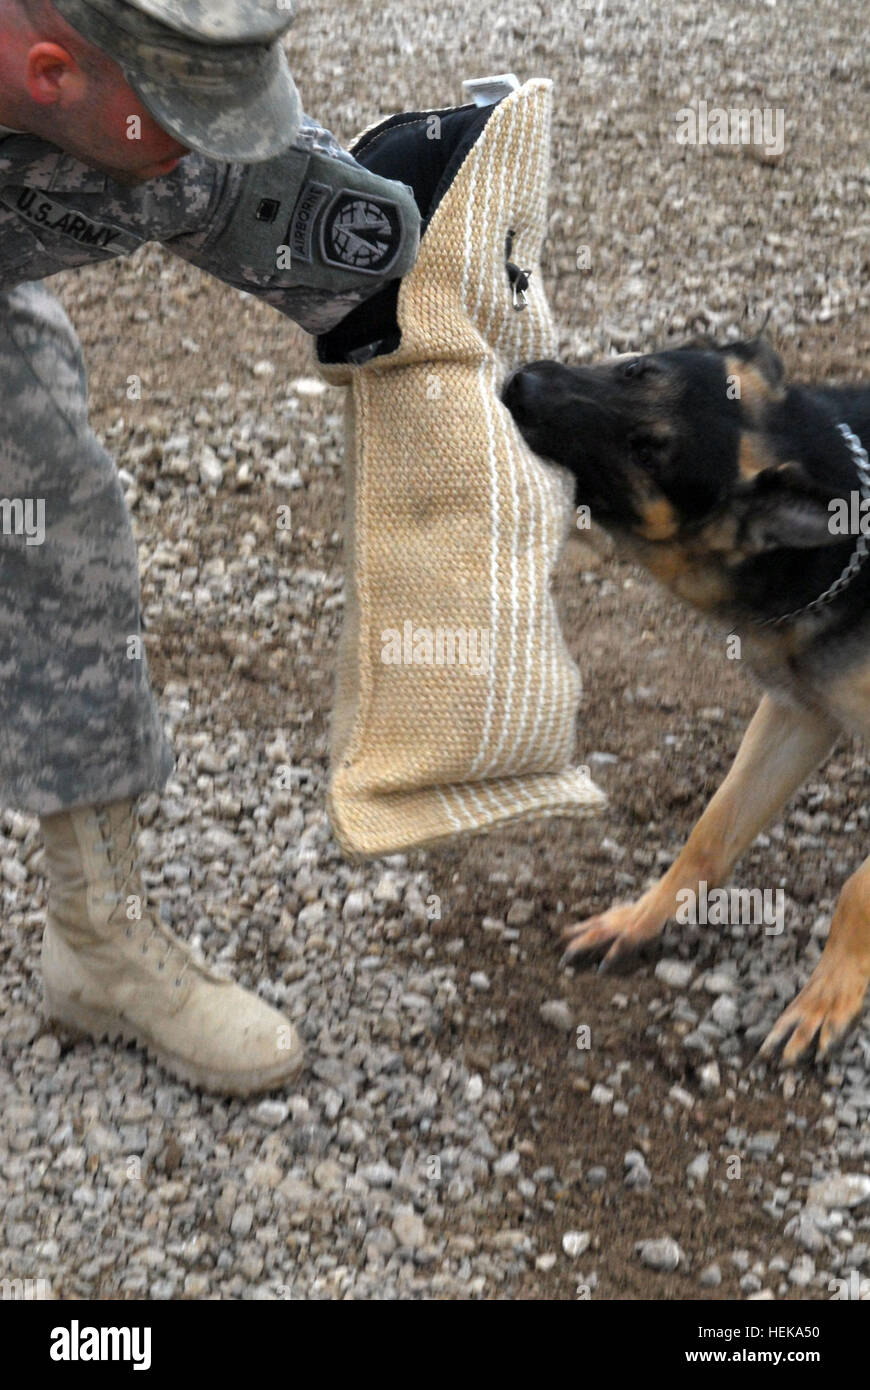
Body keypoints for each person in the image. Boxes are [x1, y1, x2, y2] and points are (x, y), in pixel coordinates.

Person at [0, 0, 422, 1095]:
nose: (203, 150)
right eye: (180, 118)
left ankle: (98, 942)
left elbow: (330, 236)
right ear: (50, 75)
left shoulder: (121, 109)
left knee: (53, 520)